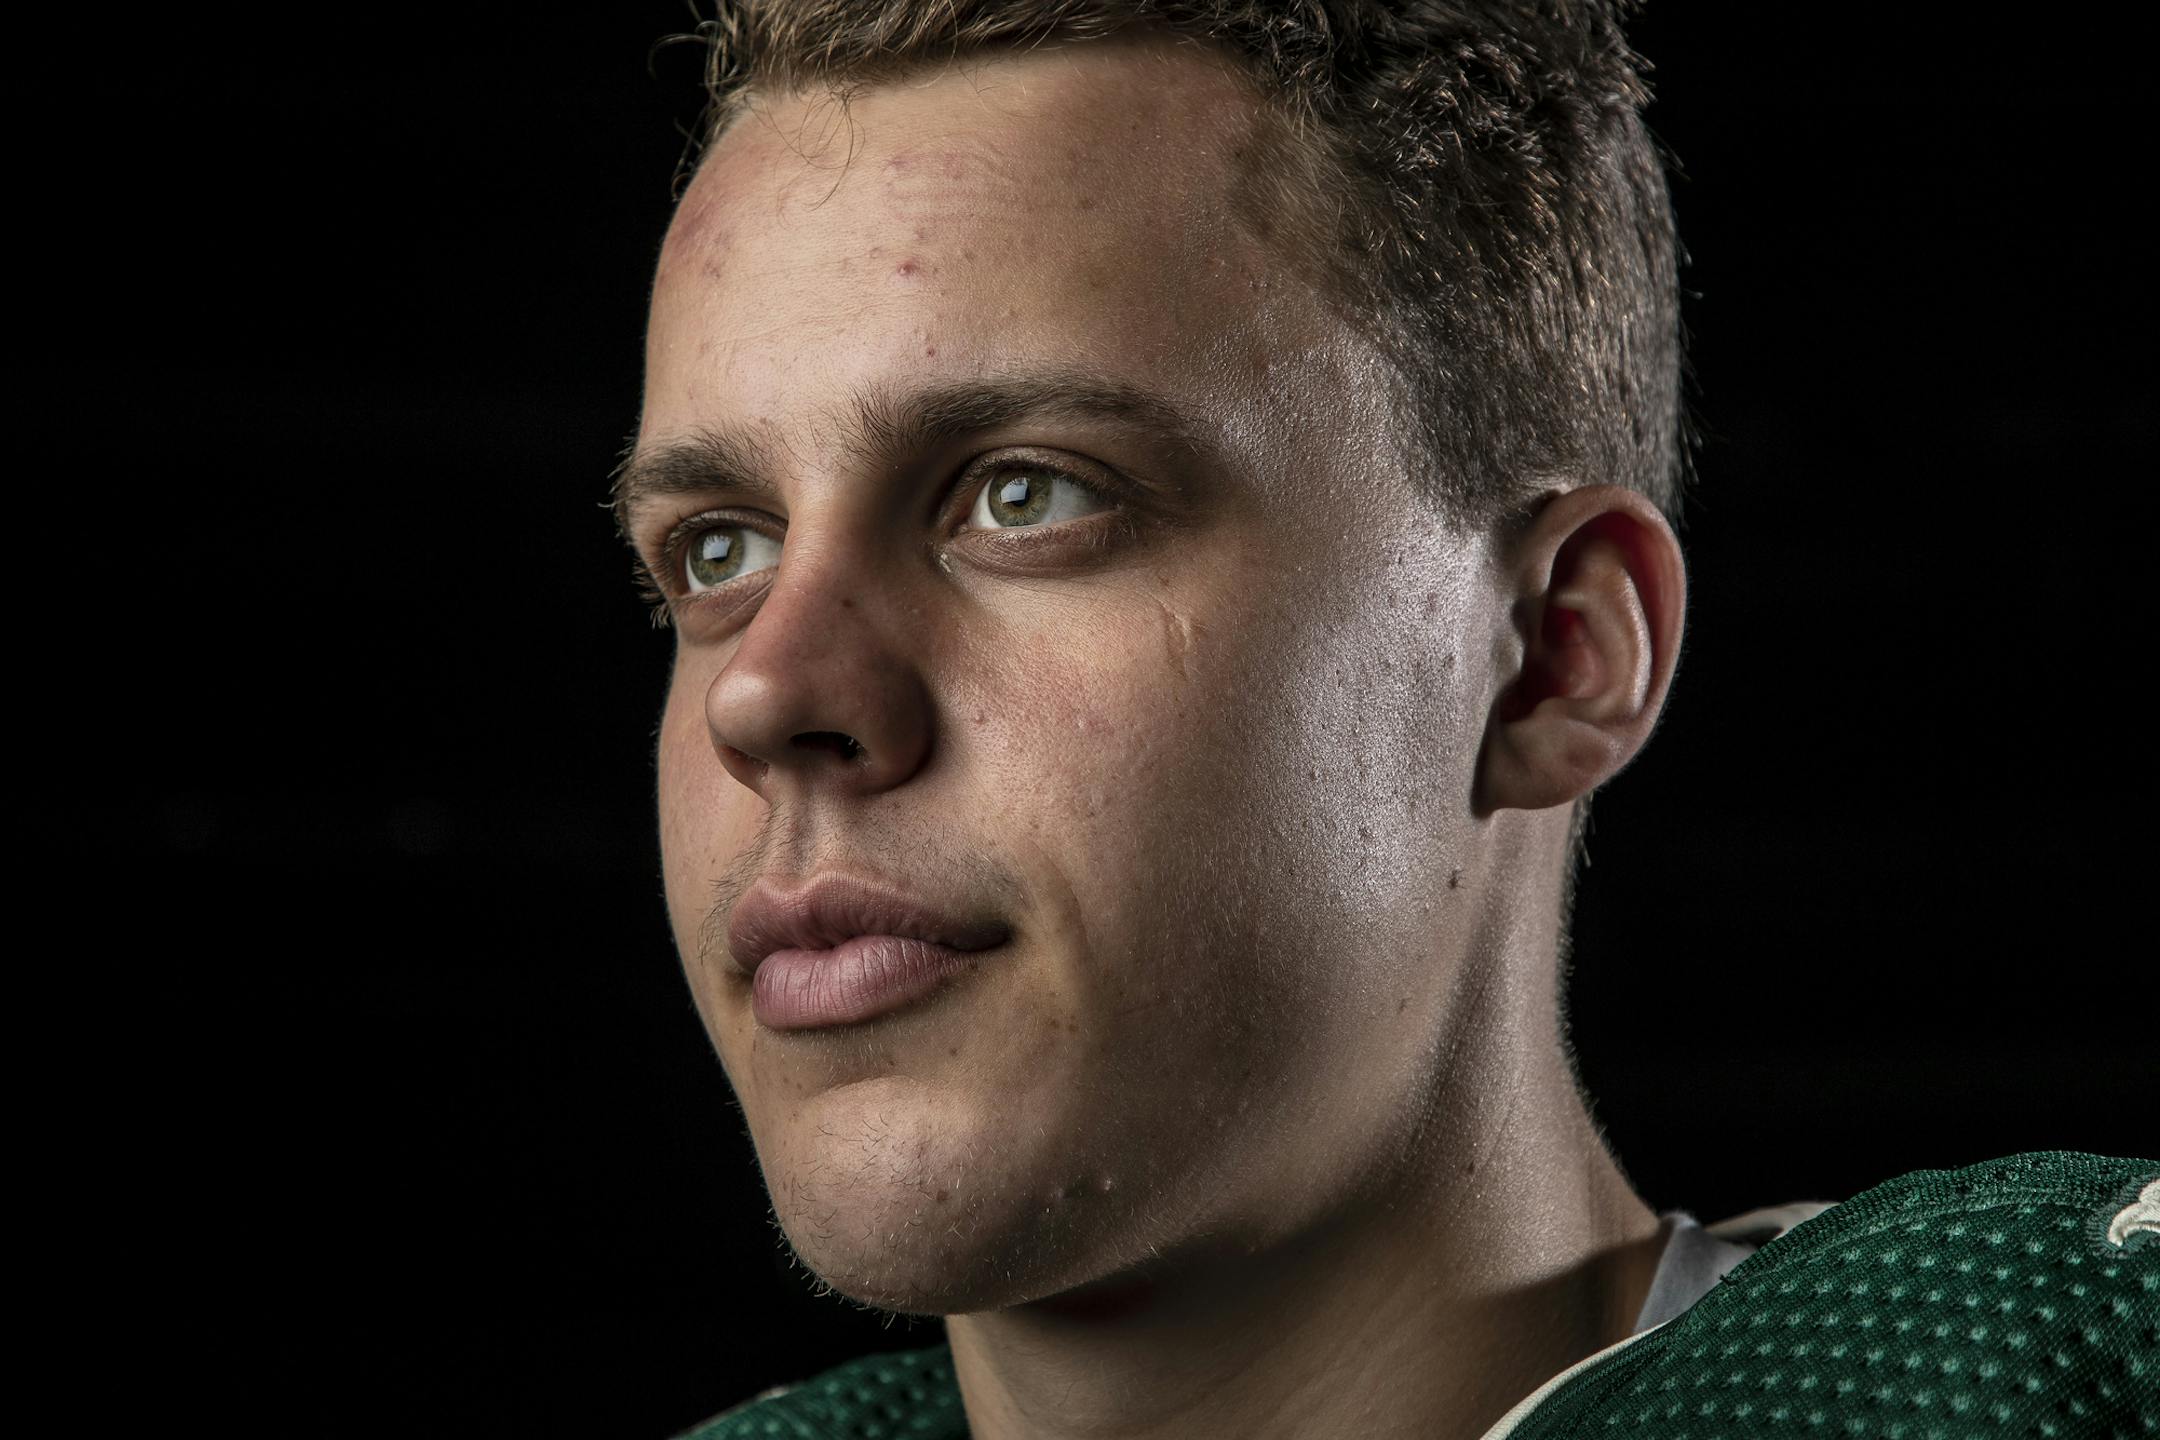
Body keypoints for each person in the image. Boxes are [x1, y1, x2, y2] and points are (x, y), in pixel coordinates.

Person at [609, 4, 2158, 1436]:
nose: (771, 692)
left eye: (1028, 495)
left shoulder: (2045, 1378)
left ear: (1555, 654)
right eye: (720, 549)